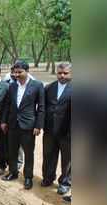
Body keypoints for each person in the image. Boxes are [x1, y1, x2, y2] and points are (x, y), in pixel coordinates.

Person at [0, 60, 45, 190]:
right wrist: (3, 121)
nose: (17, 75)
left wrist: (38, 125)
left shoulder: (37, 85)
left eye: (20, 72)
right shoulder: (12, 86)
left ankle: (28, 177)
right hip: (13, 124)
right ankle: (13, 172)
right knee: (12, 151)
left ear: (27, 71)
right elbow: (7, 105)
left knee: (28, 153)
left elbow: (41, 107)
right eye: (15, 72)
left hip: (29, 125)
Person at [41, 62, 72, 195]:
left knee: (68, 160)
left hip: (67, 132)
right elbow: (42, 108)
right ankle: (48, 177)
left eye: (65, 73)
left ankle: (65, 183)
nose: (62, 76)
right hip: (49, 130)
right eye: (60, 73)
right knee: (48, 155)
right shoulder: (49, 88)